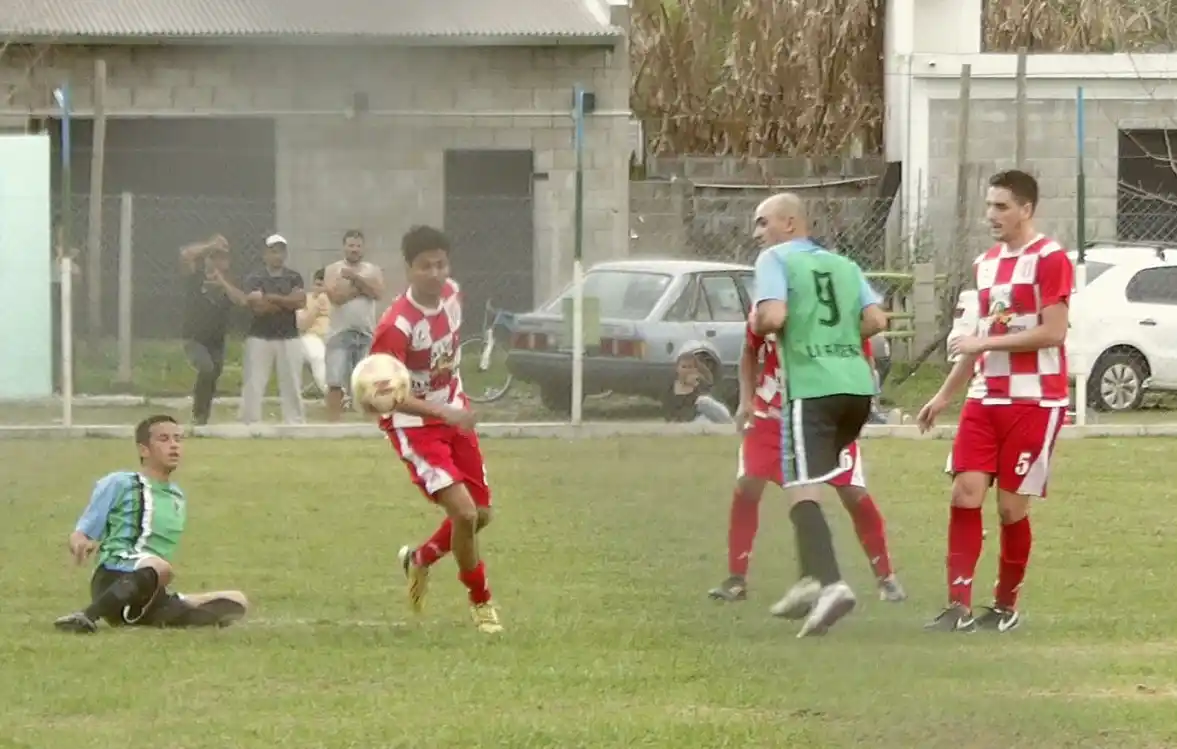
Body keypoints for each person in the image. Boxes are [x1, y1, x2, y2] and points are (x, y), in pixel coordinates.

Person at [918, 170, 1072, 634]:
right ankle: (957, 606)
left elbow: (1053, 332)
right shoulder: (985, 264)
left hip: (1036, 400)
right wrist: (945, 394)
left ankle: (1004, 606)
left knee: (1010, 509)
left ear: (1027, 209)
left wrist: (983, 347)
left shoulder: (1050, 259)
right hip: (985, 399)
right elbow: (978, 339)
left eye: (1001, 207)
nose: (991, 216)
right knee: (964, 492)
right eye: (989, 206)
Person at [748, 193, 889, 638]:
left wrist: (758, 322)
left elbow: (773, 316)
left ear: (790, 223)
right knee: (805, 478)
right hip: (858, 392)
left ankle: (830, 584)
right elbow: (876, 320)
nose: (757, 233)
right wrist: (836, 335)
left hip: (813, 388)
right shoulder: (844, 265)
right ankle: (809, 578)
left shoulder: (774, 260)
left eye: (762, 222)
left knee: (799, 486)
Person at [708, 318, 906, 610]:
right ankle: (736, 579)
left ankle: (885, 576)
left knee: (854, 494)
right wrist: (746, 401)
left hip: (825, 418)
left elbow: (865, 362)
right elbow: (749, 351)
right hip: (771, 416)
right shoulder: (771, 304)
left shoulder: (836, 304)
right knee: (748, 483)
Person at [368, 225, 501, 634]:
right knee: (462, 512)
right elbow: (385, 395)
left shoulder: (453, 295)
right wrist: (445, 413)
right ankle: (481, 602)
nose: (436, 273)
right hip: (416, 426)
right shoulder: (396, 326)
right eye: (426, 266)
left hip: (452, 410)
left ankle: (421, 559)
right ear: (408, 269)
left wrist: (454, 404)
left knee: (481, 515)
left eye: (441, 264)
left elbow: (448, 358)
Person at [53, 415, 249, 633]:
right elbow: (82, 532)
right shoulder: (121, 482)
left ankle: (156, 614)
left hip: (153, 590)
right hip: (114, 576)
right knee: (160, 567)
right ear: (144, 450)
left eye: (178, 439)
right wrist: (81, 542)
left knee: (237, 601)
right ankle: (86, 616)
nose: (174, 445)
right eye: (164, 439)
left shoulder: (177, 496)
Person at [180, 234, 248, 425]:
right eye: (215, 257)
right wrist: (210, 244)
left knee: (212, 377)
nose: (219, 262)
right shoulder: (196, 277)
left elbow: (242, 301)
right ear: (208, 259)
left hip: (216, 341)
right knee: (207, 369)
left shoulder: (231, 282)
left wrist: (223, 283)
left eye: (223, 258)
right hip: (194, 338)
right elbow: (185, 255)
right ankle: (198, 415)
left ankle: (202, 417)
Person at [240, 234, 306, 425]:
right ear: (265, 254)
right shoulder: (255, 277)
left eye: (281, 251)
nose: (278, 255)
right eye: (274, 251)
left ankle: (294, 420)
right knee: (254, 381)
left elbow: (300, 301)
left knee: (292, 382)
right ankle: (250, 421)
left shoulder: (294, 277)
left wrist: (273, 298)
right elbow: (259, 307)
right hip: (260, 336)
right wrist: (286, 301)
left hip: (289, 336)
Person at [324, 230, 385, 421]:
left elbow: (378, 293)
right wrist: (362, 289)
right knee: (335, 382)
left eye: (358, 246)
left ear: (363, 248)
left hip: (366, 333)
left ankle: (368, 425)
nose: (354, 249)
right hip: (339, 333)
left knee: (367, 383)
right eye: (351, 245)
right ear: (344, 247)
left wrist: (355, 279)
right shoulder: (333, 269)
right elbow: (336, 297)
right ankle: (333, 424)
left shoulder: (373, 269)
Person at [663, 345, 733, 424]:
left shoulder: (701, 383)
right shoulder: (671, 387)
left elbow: (712, 402)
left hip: (701, 416)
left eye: (690, 367)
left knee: (704, 402)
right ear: (677, 368)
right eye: (684, 367)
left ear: (695, 369)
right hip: (685, 421)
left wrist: (696, 386)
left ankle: (730, 424)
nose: (687, 370)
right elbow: (669, 410)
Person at [297, 268, 331, 397]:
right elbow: (301, 326)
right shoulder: (305, 299)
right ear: (312, 285)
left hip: (336, 337)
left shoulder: (338, 300)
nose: (321, 289)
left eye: (324, 286)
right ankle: (330, 394)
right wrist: (317, 306)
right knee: (318, 355)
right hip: (311, 336)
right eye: (318, 285)